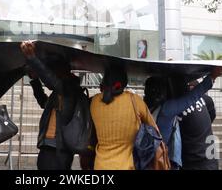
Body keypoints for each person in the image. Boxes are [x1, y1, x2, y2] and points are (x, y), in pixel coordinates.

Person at [143, 66, 222, 170]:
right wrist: (212, 77)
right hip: (200, 160)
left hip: (150, 157)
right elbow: (194, 97)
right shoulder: (169, 108)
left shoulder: (143, 107)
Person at [20, 40, 81, 170]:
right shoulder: (60, 92)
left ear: (62, 71)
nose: (50, 73)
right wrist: (34, 80)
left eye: (52, 70)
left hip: (57, 149)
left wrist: (33, 59)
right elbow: (44, 102)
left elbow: (51, 81)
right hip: (51, 146)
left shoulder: (69, 88)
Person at [90, 63, 156, 170]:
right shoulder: (134, 100)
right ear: (124, 82)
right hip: (126, 166)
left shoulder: (95, 101)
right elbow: (154, 129)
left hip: (100, 165)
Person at [180, 78, 220, 170]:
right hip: (208, 156)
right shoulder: (206, 100)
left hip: (195, 159)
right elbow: (211, 117)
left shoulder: (177, 105)